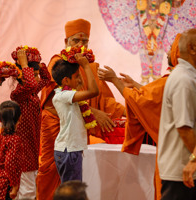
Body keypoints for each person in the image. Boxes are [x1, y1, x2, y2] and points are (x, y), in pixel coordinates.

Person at [36, 18, 125, 200]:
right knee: (50, 171)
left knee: (75, 177)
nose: (80, 45)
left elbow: (104, 100)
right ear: (66, 42)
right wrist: (92, 113)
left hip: (76, 130)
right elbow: (53, 104)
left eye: (84, 41)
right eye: (76, 40)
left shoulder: (90, 66)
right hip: (55, 128)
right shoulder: (58, 64)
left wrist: (129, 110)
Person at [97, 33, 181, 200]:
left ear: (181, 52)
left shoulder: (176, 79)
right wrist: (135, 85)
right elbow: (154, 95)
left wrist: (115, 80)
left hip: (175, 152)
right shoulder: (182, 77)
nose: (166, 52)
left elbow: (141, 100)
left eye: (171, 48)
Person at [157, 28, 196, 199]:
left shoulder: (188, 76)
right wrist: (195, 158)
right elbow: (184, 128)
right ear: (193, 48)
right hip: (182, 171)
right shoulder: (183, 79)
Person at [10, 47, 51, 199]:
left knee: (30, 185)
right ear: (22, 75)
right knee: (27, 189)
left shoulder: (32, 92)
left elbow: (46, 79)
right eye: (32, 75)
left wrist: (39, 65)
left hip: (33, 144)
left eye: (35, 75)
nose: (36, 78)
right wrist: (24, 64)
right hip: (23, 147)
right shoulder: (18, 93)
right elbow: (30, 85)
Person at [52, 53, 99, 183]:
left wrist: (80, 72)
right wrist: (86, 66)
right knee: (73, 192)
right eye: (77, 76)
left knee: (73, 191)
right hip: (69, 150)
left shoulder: (68, 94)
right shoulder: (63, 96)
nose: (79, 79)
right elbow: (94, 91)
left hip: (71, 149)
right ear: (66, 80)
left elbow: (85, 89)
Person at [0, 100, 23, 200]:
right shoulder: (15, 139)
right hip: (7, 183)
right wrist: (15, 186)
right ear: (20, 117)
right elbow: (9, 163)